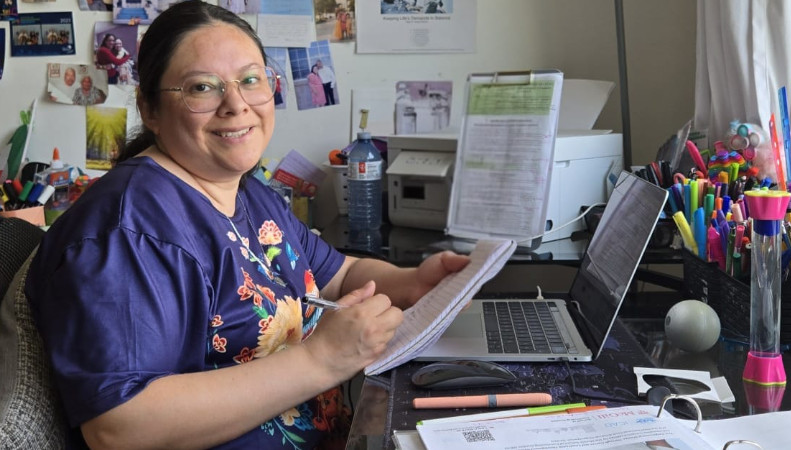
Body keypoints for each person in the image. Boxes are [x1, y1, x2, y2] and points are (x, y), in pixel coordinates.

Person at [25, 2, 470, 449]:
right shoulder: (128, 231)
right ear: (150, 109)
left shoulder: (248, 192)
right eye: (203, 87)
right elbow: (119, 428)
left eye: (251, 80)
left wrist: (413, 282)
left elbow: (336, 276)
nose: (236, 105)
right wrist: (322, 360)